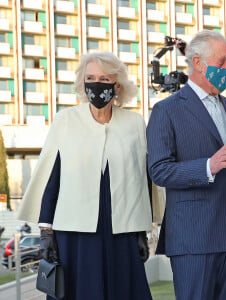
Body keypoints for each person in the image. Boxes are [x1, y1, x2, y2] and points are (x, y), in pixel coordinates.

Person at [17, 51, 153, 300]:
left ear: (117, 85)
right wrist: (46, 232)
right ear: (82, 82)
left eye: (104, 78)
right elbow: (51, 177)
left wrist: (142, 231)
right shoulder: (65, 120)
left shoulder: (135, 123)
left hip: (121, 231)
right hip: (73, 233)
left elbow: (141, 180)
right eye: (90, 77)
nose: (96, 84)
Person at [146, 30, 226, 300]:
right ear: (198, 63)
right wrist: (208, 166)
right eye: (222, 62)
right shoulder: (167, 111)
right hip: (194, 240)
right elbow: (159, 170)